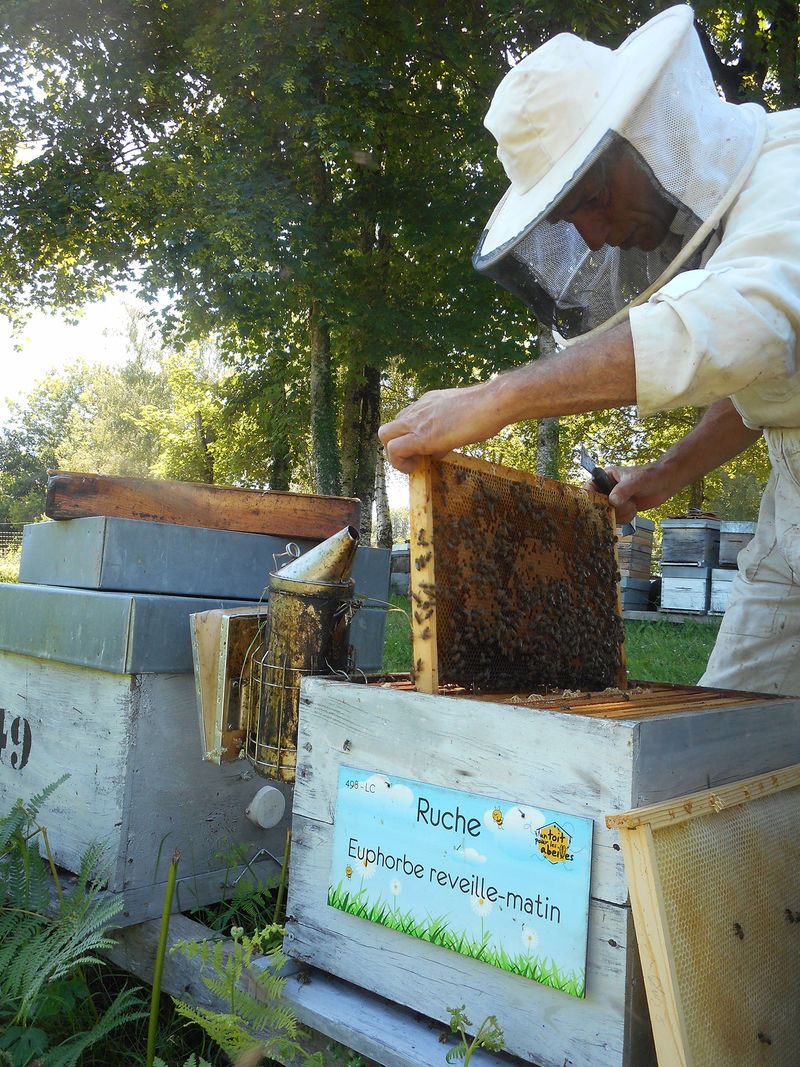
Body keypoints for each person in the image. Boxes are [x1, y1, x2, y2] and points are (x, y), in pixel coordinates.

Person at [378, 4, 800, 697]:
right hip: (791, 521)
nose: (597, 238)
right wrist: (663, 475)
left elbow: (745, 326)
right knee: (725, 744)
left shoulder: (789, 171)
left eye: (595, 197)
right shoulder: (729, 237)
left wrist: (497, 397)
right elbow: (767, 382)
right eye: (573, 220)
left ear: (650, 140)